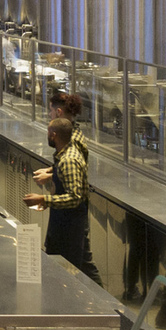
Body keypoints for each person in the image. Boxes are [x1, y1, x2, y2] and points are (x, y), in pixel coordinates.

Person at [22, 118, 102, 284]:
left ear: (54, 135)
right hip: (61, 223)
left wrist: (44, 198)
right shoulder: (64, 154)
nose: (47, 136)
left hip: (69, 229)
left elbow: (75, 197)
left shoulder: (69, 160)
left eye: (48, 133)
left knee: (67, 274)